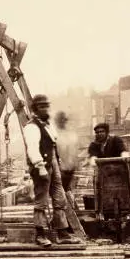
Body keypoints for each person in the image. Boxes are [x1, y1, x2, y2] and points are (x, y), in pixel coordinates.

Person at [23, 94, 80, 247]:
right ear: (35, 109)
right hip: (42, 166)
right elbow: (33, 148)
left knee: (59, 197)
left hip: (53, 164)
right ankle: (40, 235)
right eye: (41, 106)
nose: (45, 109)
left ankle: (62, 233)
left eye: (46, 106)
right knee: (41, 200)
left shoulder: (48, 125)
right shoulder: (32, 126)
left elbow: (53, 144)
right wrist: (40, 166)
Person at [54, 111, 79, 209]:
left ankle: (67, 212)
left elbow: (70, 151)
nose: (61, 122)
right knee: (65, 190)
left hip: (64, 167)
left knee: (62, 191)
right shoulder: (67, 134)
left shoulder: (66, 134)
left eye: (62, 120)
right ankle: (70, 209)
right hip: (65, 167)